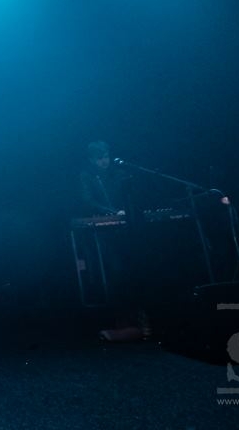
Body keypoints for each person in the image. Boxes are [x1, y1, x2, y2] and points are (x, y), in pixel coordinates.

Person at [76, 141, 149, 342]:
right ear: (92, 159)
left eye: (106, 156)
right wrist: (112, 212)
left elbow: (132, 196)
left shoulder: (119, 173)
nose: (104, 161)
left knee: (136, 270)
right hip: (106, 229)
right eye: (99, 158)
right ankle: (122, 322)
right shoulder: (87, 176)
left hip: (127, 227)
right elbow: (87, 200)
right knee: (116, 272)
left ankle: (142, 320)